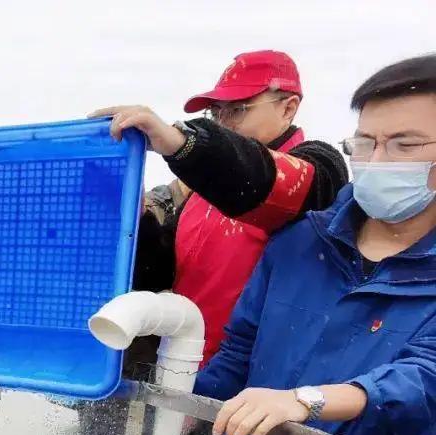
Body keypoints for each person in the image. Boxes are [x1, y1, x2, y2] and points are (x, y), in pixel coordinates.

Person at [157, 54, 436, 435]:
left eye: (405, 144)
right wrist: (179, 424)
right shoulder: (298, 243)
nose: (376, 159)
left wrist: (303, 399)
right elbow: (236, 354)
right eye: (364, 141)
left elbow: (423, 378)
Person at [92, 50, 348, 364]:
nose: (225, 122)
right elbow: (160, 273)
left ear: (289, 107)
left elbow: (261, 178)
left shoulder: (321, 170)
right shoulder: (202, 191)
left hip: (252, 386)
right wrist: (138, 214)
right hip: (182, 368)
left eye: (238, 109)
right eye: (217, 113)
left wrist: (182, 143)